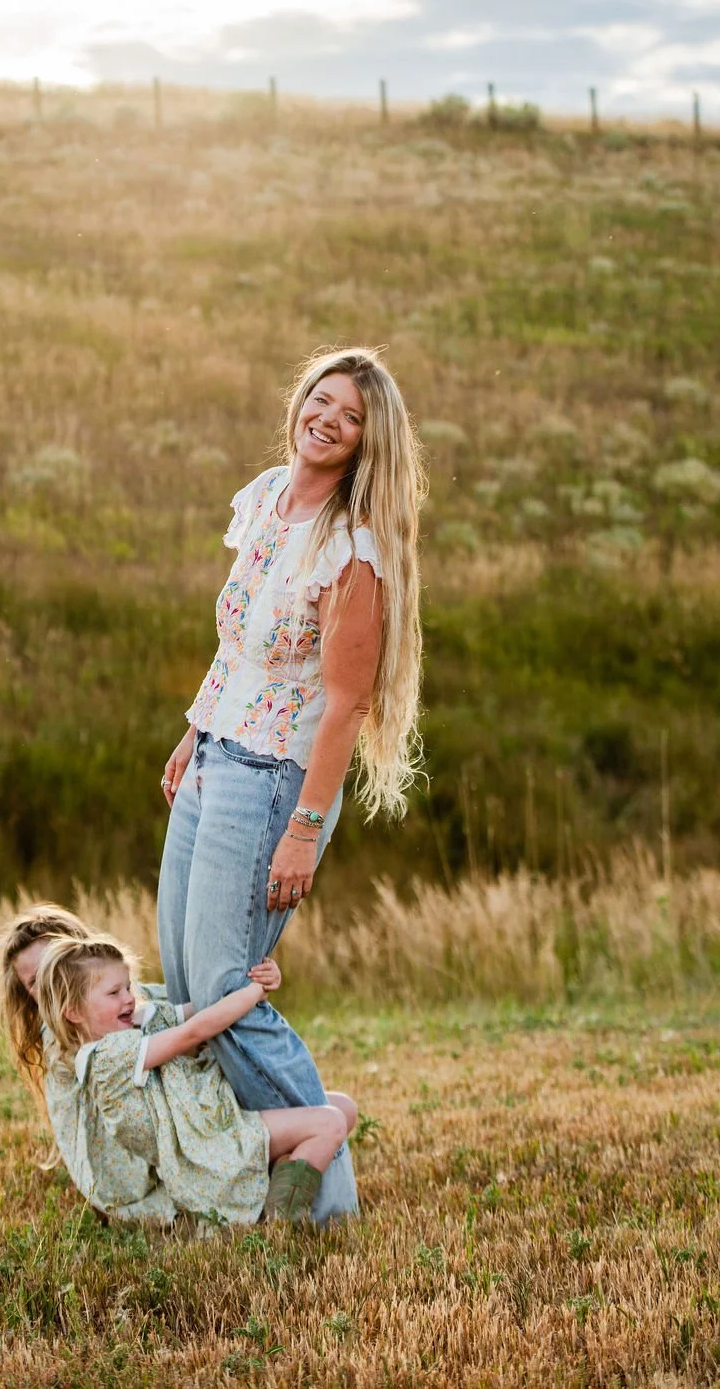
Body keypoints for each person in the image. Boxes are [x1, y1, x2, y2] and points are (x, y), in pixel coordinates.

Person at [157, 346, 426, 1223]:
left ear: (363, 443)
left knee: (229, 989)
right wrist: (193, 731)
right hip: (216, 754)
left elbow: (345, 704)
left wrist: (306, 826)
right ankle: (222, 1178)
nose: (328, 419)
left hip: (274, 778)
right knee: (190, 987)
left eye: (349, 417)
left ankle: (324, 1202)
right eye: (322, 399)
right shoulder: (268, 497)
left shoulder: (354, 550)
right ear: (300, 402)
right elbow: (237, 645)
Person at [30, 932, 357, 1223]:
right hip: (208, 1146)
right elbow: (194, 1031)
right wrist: (253, 992)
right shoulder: (104, 1059)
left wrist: (255, 983)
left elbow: (202, 1009)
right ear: (72, 1011)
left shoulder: (136, 1023)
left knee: (345, 1108)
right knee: (330, 1123)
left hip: (216, 1118)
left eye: (128, 987)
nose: (129, 998)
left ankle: (279, 1180)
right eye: (114, 992)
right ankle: (282, 1224)